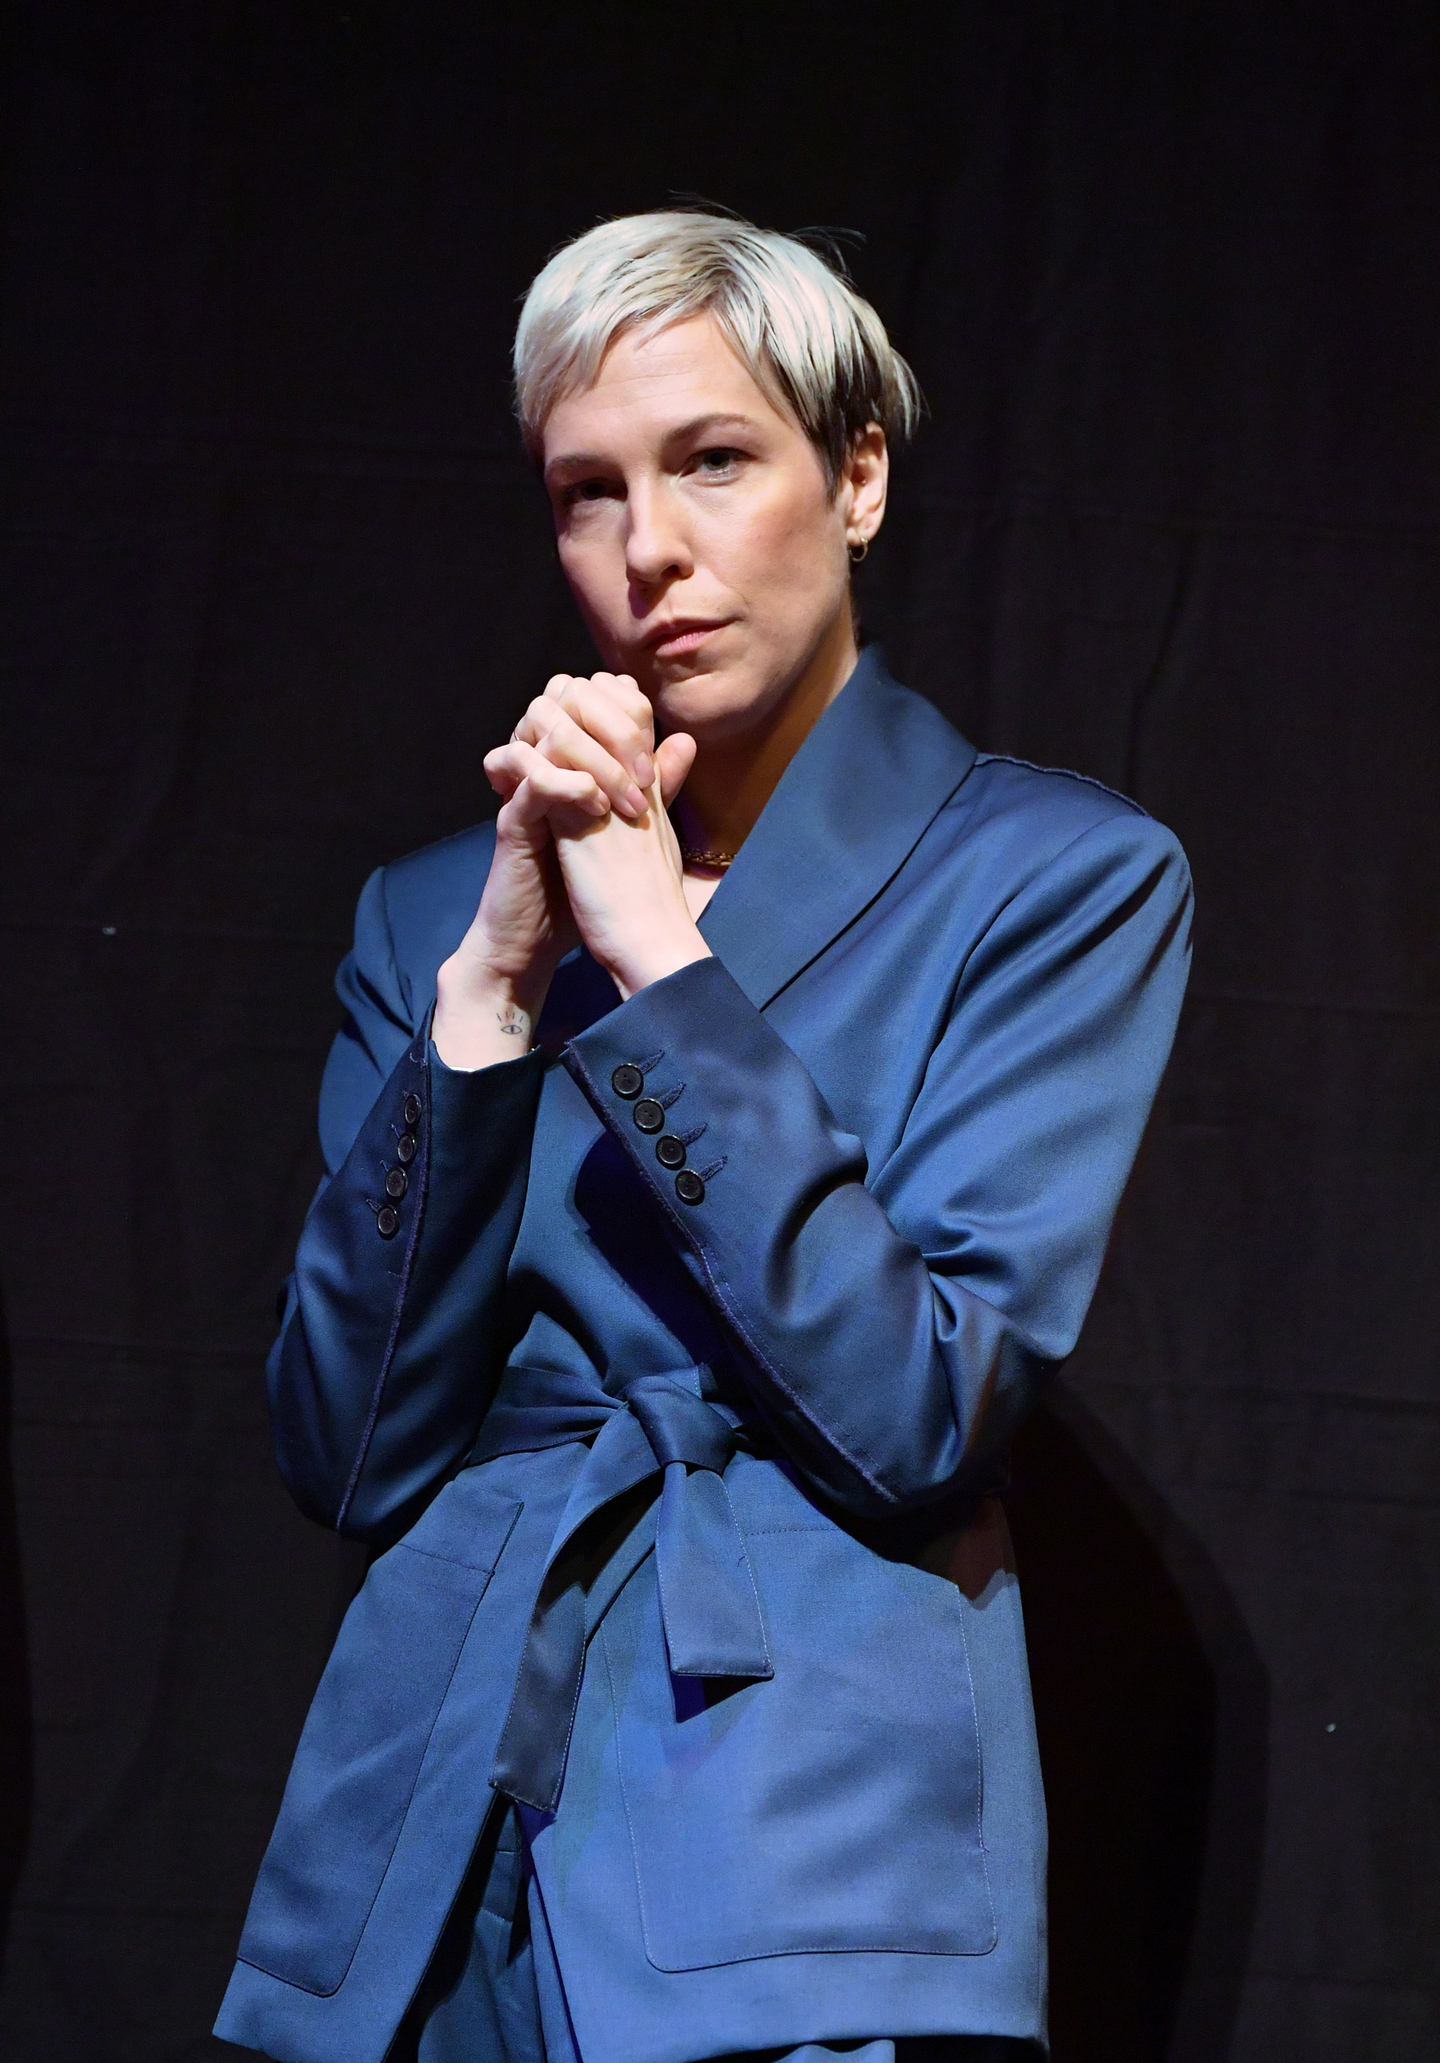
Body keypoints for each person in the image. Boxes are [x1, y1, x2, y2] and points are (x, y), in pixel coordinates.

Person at [215, 211, 1191, 2063]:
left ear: (860, 475)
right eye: (587, 494)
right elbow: (342, 1461)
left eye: (713, 461)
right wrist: (494, 998)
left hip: (796, 1843)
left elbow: (917, 1411)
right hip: (425, 1829)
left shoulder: (1053, 878)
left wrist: (659, 960)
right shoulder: (434, 916)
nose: (648, 549)